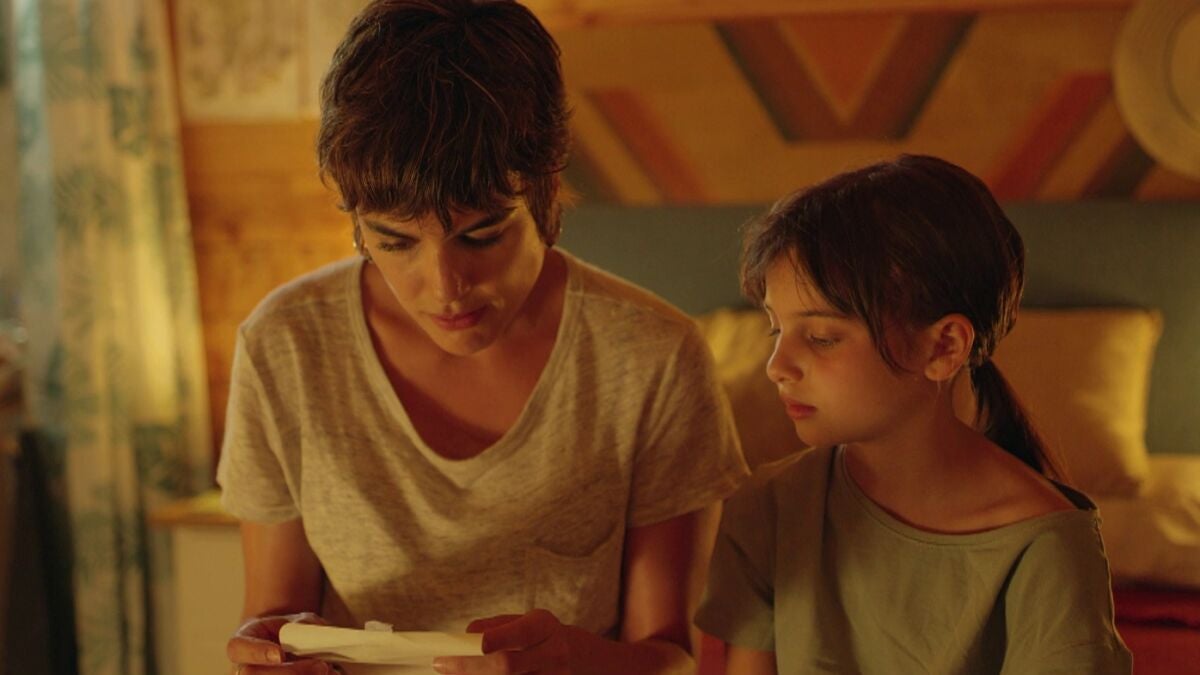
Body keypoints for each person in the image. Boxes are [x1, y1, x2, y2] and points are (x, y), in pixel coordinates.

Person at [217, 1, 748, 674]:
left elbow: (673, 660)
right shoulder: (286, 346)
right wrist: (268, 650)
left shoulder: (653, 358)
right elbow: (276, 615)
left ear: (546, 190)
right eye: (395, 241)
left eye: (482, 234)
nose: (445, 286)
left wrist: (575, 662)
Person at [695, 155, 1132, 674]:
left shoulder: (1044, 549)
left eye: (822, 337)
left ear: (944, 346)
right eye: (775, 329)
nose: (777, 366)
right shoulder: (772, 508)